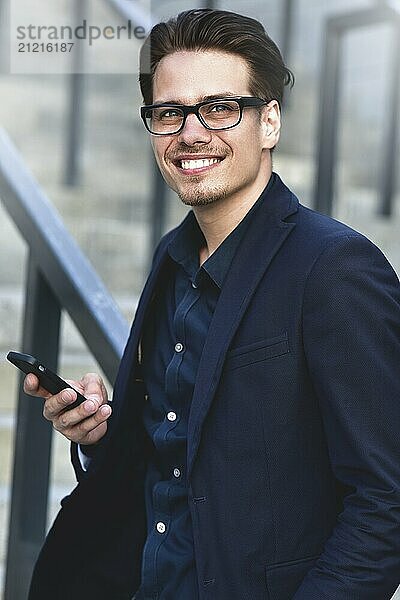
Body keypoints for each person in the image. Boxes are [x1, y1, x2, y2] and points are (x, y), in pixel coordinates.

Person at [25, 8, 400, 600]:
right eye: (169, 113)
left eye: (220, 108)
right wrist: (102, 437)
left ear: (269, 121)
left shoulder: (334, 270)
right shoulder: (172, 260)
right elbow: (184, 455)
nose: (191, 133)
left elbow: (387, 500)